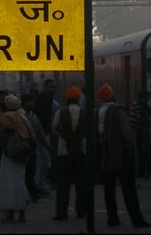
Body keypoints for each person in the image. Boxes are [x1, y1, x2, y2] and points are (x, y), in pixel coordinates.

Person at [96, 83, 151, 228]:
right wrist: (129, 148)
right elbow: (127, 134)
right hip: (122, 155)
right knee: (129, 189)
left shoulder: (98, 112)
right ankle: (137, 219)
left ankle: (112, 218)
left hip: (105, 155)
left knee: (109, 188)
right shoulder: (118, 110)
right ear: (112, 95)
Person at [0, 94, 36, 224]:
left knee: (8, 184)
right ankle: (22, 214)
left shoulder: (4, 118)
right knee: (20, 183)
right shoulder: (24, 118)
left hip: (8, 156)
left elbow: (0, 137)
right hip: (21, 156)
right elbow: (32, 137)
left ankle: (10, 214)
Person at [52, 86, 87, 221]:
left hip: (63, 152)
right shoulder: (84, 113)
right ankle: (81, 211)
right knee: (81, 183)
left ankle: (61, 212)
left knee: (63, 183)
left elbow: (54, 129)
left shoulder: (60, 113)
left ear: (67, 98)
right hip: (81, 152)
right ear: (78, 99)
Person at [21, 92, 50, 202]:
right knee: (25, 172)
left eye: (34, 102)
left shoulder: (33, 116)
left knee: (31, 171)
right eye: (31, 102)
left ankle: (31, 192)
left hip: (32, 149)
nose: (33, 104)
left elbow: (40, 132)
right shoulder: (20, 116)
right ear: (24, 104)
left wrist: (46, 145)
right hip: (23, 149)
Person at [34, 79, 57, 189]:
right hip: (41, 132)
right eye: (50, 87)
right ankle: (39, 182)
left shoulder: (49, 100)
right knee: (42, 158)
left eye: (53, 87)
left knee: (44, 158)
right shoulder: (43, 99)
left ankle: (41, 180)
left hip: (46, 132)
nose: (53, 89)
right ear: (45, 87)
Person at [129, 90, 151, 178]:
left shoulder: (144, 105)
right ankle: (138, 173)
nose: (148, 100)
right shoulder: (139, 105)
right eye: (147, 98)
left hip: (139, 130)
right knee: (138, 151)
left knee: (140, 150)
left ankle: (141, 171)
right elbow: (139, 117)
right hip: (136, 130)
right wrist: (147, 122)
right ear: (142, 98)